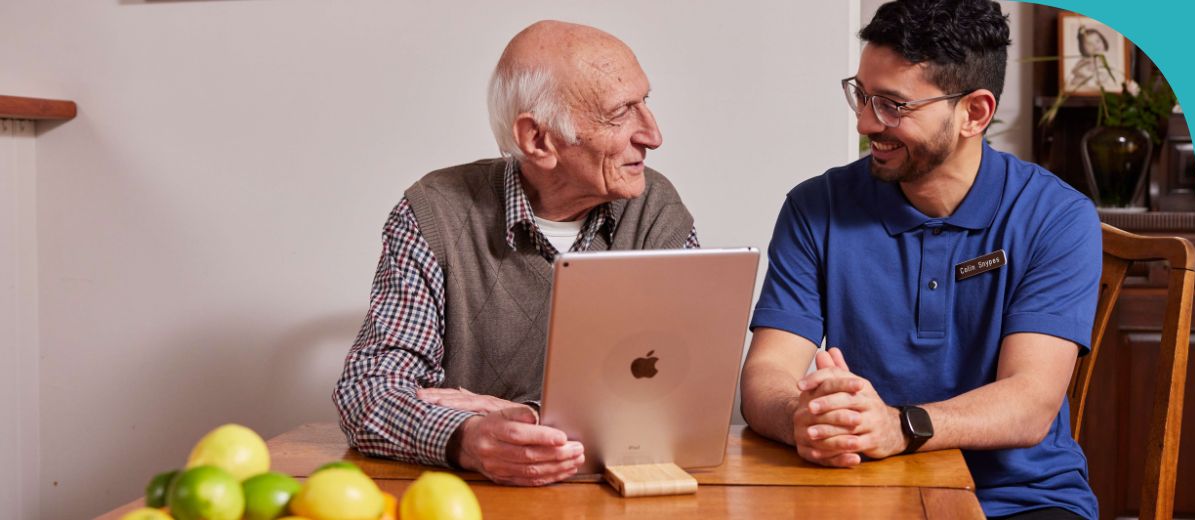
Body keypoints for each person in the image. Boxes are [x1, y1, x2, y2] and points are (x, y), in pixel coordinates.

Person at [739, 1, 1100, 519]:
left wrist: (899, 425)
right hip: (861, 492)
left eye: (892, 105)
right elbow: (766, 375)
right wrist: (803, 416)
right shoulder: (815, 207)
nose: (866, 122)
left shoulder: (1057, 216)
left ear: (974, 112)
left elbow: (1029, 404)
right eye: (861, 95)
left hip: (1022, 500)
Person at [333, 20, 699, 487]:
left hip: (615, 488)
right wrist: (467, 439)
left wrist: (524, 414)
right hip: (471, 496)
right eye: (620, 112)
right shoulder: (433, 212)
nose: (652, 134)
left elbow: (682, 393)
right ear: (537, 140)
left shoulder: (654, 209)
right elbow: (368, 391)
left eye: (645, 102)